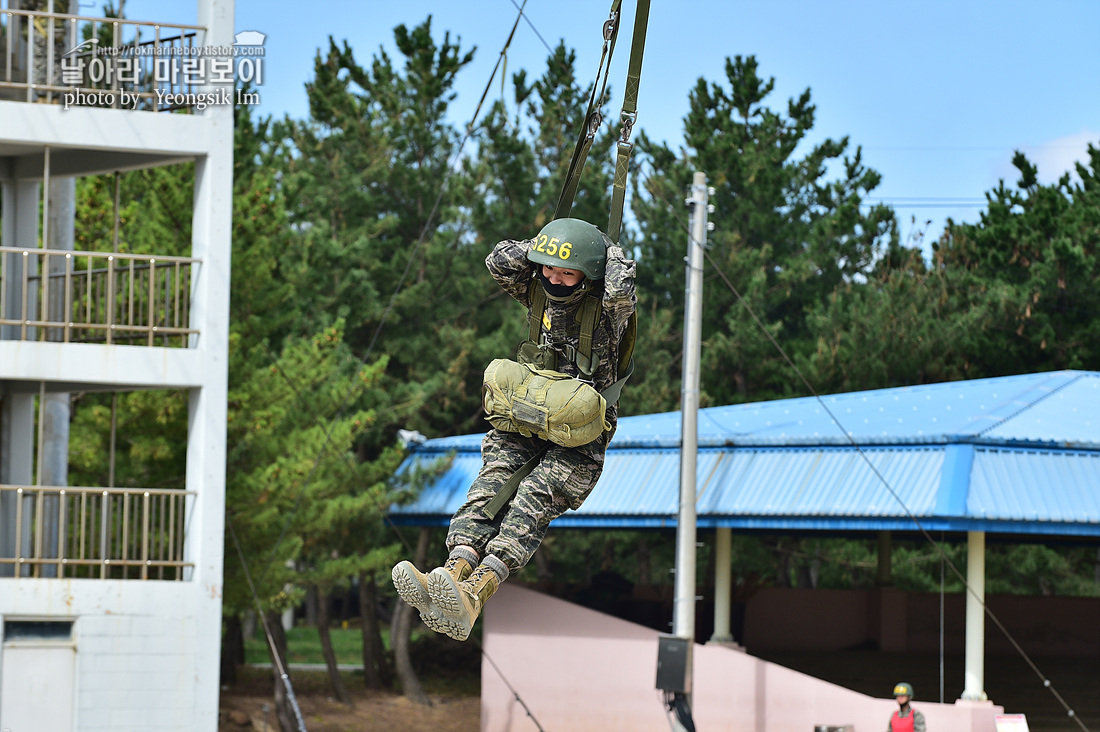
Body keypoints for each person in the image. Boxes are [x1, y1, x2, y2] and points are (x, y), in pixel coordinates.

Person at [392, 217, 637, 641]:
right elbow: (499, 261)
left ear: (588, 275)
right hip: (526, 417)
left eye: (567, 271)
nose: (555, 280)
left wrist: (601, 250)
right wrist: (547, 248)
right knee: (489, 488)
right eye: (549, 269)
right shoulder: (538, 290)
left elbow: (620, 286)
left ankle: (475, 593)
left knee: (529, 502)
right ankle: (452, 573)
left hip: (580, 439)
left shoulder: (607, 312)